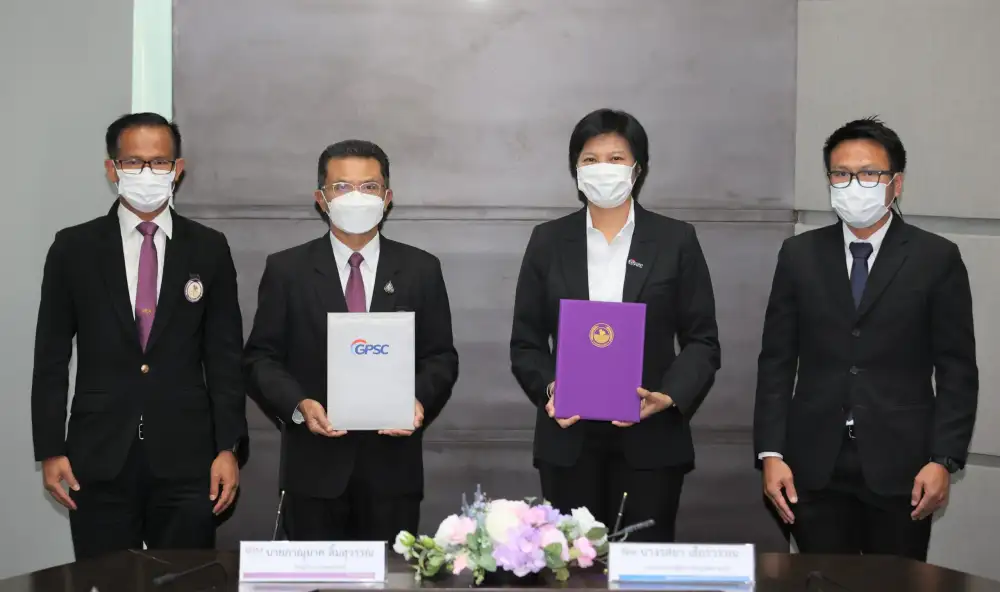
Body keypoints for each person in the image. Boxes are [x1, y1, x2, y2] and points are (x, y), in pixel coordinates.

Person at [754, 117, 979, 560]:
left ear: (896, 183)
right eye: (841, 174)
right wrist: (771, 453)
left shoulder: (936, 258)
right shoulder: (799, 254)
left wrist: (943, 459)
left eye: (869, 173)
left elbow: (957, 369)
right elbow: (776, 360)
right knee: (819, 581)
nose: (854, 185)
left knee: (895, 584)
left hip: (904, 467)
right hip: (812, 465)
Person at [31, 112, 247, 559]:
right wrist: (51, 449)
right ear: (112, 169)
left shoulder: (209, 247)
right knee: (103, 580)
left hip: (189, 458)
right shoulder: (73, 248)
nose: (147, 172)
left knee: (185, 580)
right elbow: (50, 357)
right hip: (98, 456)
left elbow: (224, 357)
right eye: (133, 162)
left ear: (177, 169)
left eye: (159, 161)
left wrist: (227, 448)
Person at [509, 109, 721, 542]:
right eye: (590, 159)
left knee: (641, 565)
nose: (603, 168)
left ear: (637, 169)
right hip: (568, 439)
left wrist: (667, 396)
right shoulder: (548, 241)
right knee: (572, 565)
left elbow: (702, 340)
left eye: (616, 158)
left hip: (651, 440)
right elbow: (526, 342)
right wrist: (551, 390)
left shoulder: (675, 240)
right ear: (575, 169)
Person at [243, 139, 459, 542]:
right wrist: (299, 405)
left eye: (369, 186)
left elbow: (440, 357)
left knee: (391, 574)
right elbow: (261, 357)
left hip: (392, 473)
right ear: (321, 199)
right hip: (313, 471)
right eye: (342, 187)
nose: (356, 196)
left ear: (387, 198)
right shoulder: (287, 270)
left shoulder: (421, 269)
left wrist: (416, 401)